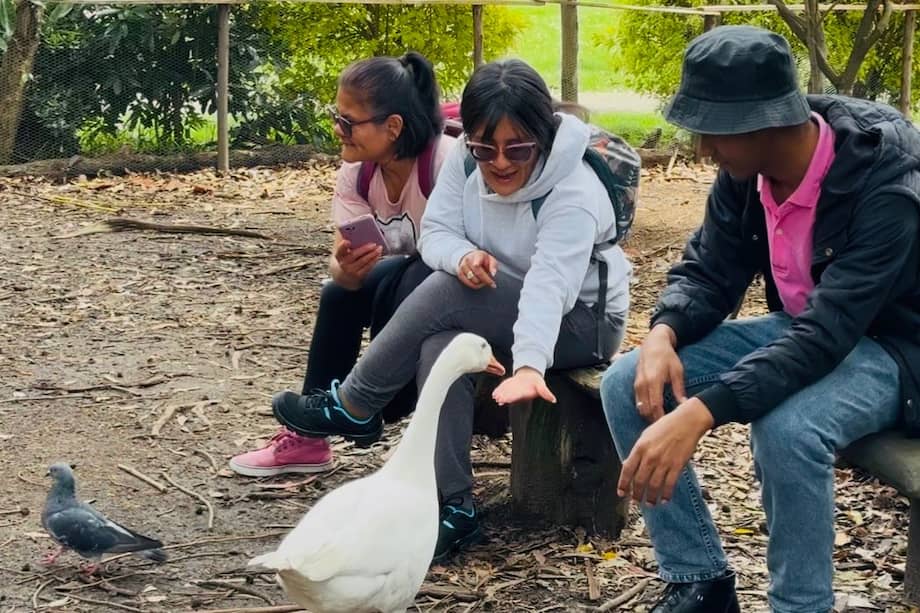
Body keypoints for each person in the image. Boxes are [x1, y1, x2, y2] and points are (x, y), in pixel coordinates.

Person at [600, 25, 920, 613]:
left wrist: (702, 410)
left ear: (766, 121)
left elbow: (829, 334)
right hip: (810, 329)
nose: (701, 149)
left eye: (710, 131)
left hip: (895, 349)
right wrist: (663, 331)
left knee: (788, 429)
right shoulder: (745, 174)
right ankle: (699, 581)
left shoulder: (887, 185)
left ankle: (800, 605)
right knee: (628, 383)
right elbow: (709, 269)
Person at [269, 58, 632, 561]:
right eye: (486, 149)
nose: (500, 163)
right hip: (505, 302)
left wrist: (529, 366)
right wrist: (463, 257)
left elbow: (551, 288)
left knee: (451, 292)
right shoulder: (463, 159)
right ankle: (454, 507)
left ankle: (355, 403)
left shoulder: (572, 194)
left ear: (543, 138)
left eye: (518, 149)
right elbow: (437, 232)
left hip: (581, 321)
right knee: (444, 347)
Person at [229, 51, 454, 477]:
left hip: (466, 290)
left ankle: (379, 406)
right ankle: (308, 438)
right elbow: (340, 267)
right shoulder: (358, 173)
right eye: (337, 116)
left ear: (393, 127)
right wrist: (346, 272)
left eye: (349, 122)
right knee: (339, 293)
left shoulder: (444, 164)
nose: (338, 130)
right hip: (413, 284)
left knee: (411, 279)